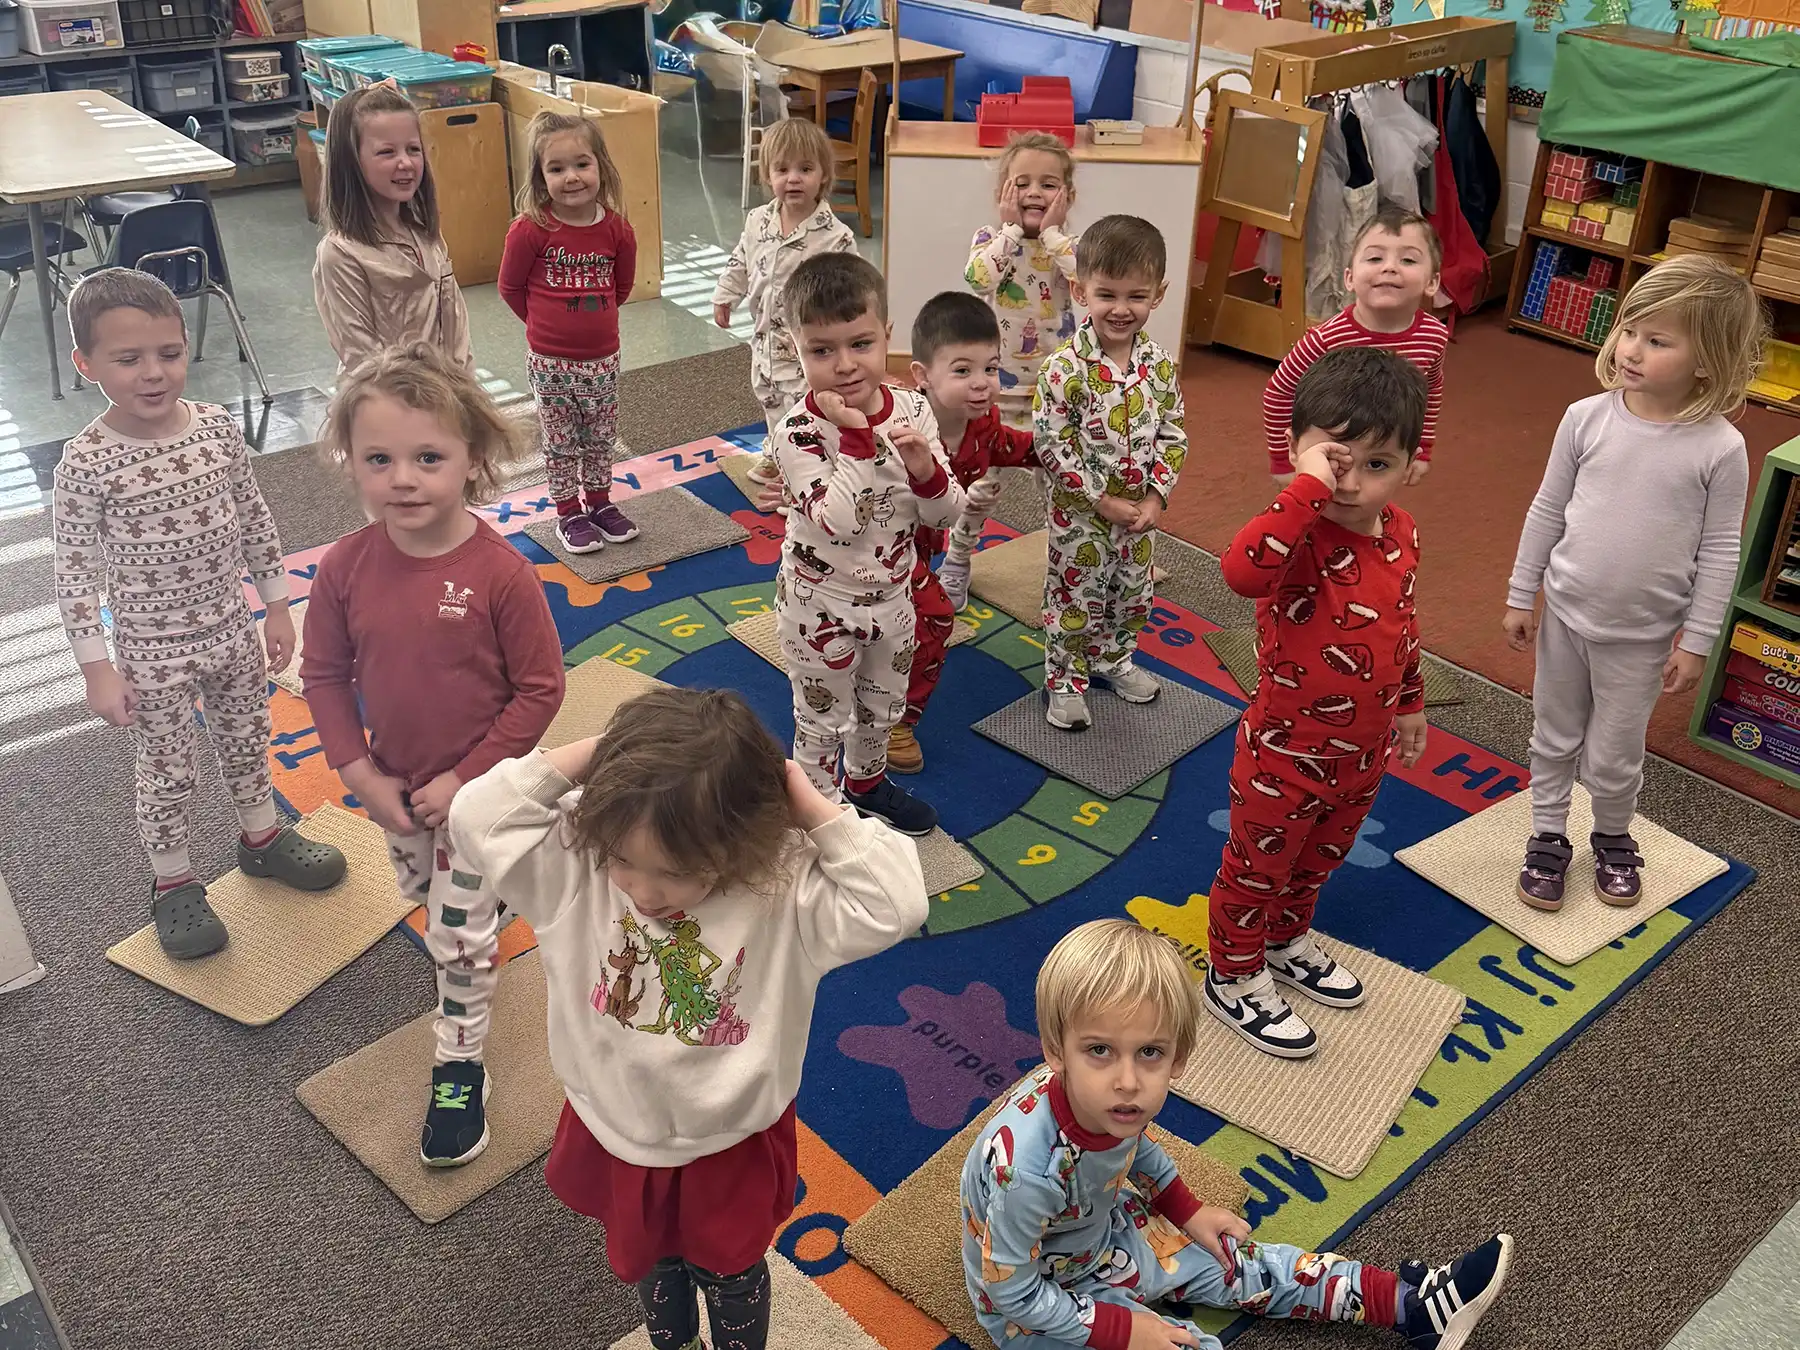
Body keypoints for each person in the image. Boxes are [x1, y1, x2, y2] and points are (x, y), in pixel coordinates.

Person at [446, 685, 930, 1350]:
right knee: (653, 1264)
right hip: (614, 1124)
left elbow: (896, 903)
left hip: (727, 1139)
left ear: (741, 845)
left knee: (732, 1273)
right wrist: (610, 755)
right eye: (625, 860)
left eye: (674, 873)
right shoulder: (576, 862)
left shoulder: (782, 889)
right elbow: (477, 814)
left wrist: (800, 795)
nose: (643, 892)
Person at [963, 919, 1513, 1350]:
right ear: (1057, 1052)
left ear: (1178, 1058)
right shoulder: (1026, 1174)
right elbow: (1011, 1293)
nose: (1127, 1081)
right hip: (1037, 1302)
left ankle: (1413, 1307)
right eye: (1099, 1050)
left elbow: (1137, 1151)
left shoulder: (1111, 1105)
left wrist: (1188, 1210)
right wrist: (1124, 1330)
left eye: (1149, 1052)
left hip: (1101, 1237)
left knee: (1246, 1262)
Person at [301, 342, 566, 1168]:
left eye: (427, 457)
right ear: (352, 461)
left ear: (472, 460)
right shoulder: (344, 568)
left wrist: (465, 778)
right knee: (428, 900)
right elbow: (322, 675)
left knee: (456, 938)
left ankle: (458, 1067)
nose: (403, 478)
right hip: (399, 787)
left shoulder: (500, 575)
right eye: (379, 459)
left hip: (484, 793)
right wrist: (357, 772)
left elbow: (540, 690)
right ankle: (492, 915)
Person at [52, 269, 347, 960]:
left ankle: (263, 839)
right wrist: (96, 670)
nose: (153, 374)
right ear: (85, 363)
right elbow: (72, 573)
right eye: (128, 360)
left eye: (169, 353)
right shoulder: (87, 463)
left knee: (249, 739)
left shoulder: (215, 428)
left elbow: (253, 518)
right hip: (152, 652)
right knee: (169, 767)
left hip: (231, 632)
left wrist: (277, 607)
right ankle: (173, 881)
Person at [1504, 255, 1763, 910]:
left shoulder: (1718, 448)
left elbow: (1721, 549)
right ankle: (1548, 836)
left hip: (1642, 637)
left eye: (1658, 340)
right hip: (1565, 616)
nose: (1632, 351)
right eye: (1629, 330)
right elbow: (1546, 508)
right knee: (1554, 734)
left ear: (1707, 361)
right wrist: (1519, 591)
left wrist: (1698, 641)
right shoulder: (1585, 418)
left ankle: (1613, 835)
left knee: (1616, 753)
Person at [1204, 348, 1430, 1059]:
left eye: (1376, 465)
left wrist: (1412, 700)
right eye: (1336, 458)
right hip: (1285, 754)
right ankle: (1232, 975)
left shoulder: (1401, 534)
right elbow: (1241, 572)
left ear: (1409, 468)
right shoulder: (1295, 533)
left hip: (1361, 754)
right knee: (1257, 867)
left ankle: (1283, 939)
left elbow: (1403, 621)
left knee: (1319, 859)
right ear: (1301, 452)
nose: (1351, 481)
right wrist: (1303, 488)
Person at [769, 253, 966, 837]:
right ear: (796, 349)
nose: (845, 365)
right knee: (821, 720)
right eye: (822, 351)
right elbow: (836, 522)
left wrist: (925, 468)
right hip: (817, 605)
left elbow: (945, 512)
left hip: (892, 597)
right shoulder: (797, 433)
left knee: (883, 707)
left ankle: (866, 783)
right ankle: (818, 813)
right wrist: (857, 440)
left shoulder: (912, 408)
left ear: (887, 336)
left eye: (860, 343)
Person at [1034, 214, 1187, 732]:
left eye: (1136, 296)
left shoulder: (1161, 366)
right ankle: (1066, 679)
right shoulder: (1063, 369)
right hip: (1082, 516)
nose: (1121, 309)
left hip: (1139, 515)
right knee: (1077, 595)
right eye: (1107, 295)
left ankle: (1112, 661)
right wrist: (1099, 499)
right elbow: (1052, 444)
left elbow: (1173, 432)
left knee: (1133, 593)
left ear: (1158, 295)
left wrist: (1156, 498)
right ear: (1080, 291)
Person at [888, 292, 1042, 774]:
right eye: (962, 370)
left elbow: (1010, 447)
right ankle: (897, 722)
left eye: (991, 368)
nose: (981, 384)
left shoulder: (983, 423)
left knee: (911, 620)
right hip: (879, 546)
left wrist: (1063, 451)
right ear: (922, 377)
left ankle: (889, 706)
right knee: (932, 616)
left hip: (923, 550)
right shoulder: (900, 428)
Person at [499, 109, 640, 553]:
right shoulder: (530, 230)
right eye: (556, 169)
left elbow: (621, 287)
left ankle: (600, 504)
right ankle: (568, 513)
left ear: (601, 165)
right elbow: (510, 287)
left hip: (603, 358)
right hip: (550, 362)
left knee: (600, 436)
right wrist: (545, 326)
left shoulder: (618, 230)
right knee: (561, 442)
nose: (572, 177)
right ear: (541, 179)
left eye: (582, 164)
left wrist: (591, 325)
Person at [712, 117, 858, 498]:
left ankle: (810, 470)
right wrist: (725, 294)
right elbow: (741, 261)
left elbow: (854, 289)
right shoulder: (758, 221)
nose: (793, 179)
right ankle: (777, 453)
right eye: (782, 169)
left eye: (805, 169)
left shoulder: (835, 237)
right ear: (768, 175)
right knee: (770, 398)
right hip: (764, 339)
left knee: (805, 407)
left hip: (808, 346)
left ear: (823, 175)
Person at [1262, 207, 1446, 488]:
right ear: (1349, 277)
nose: (1390, 267)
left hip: (1379, 462)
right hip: (1326, 458)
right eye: (1374, 257)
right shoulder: (1326, 339)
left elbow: (1429, 394)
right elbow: (1278, 392)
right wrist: (1284, 460)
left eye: (1408, 260)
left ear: (1432, 282)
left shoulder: (1434, 337)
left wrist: (1422, 448)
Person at [313, 82, 472, 378]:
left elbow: (457, 333)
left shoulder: (426, 235)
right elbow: (363, 359)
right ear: (351, 162)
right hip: (390, 407)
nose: (406, 163)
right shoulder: (340, 254)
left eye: (414, 149)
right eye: (387, 152)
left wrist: (464, 394)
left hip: (451, 402)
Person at [965, 130, 1080, 430]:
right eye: (1022, 183)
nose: (1034, 192)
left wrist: (1052, 236)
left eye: (1049, 185)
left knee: (1048, 456)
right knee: (991, 454)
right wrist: (1011, 230)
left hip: (1054, 384)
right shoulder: (991, 239)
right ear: (1000, 194)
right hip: (996, 381)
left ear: (1069, 196)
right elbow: (978, 280)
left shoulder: (1067, 247)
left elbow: (1089, 281)